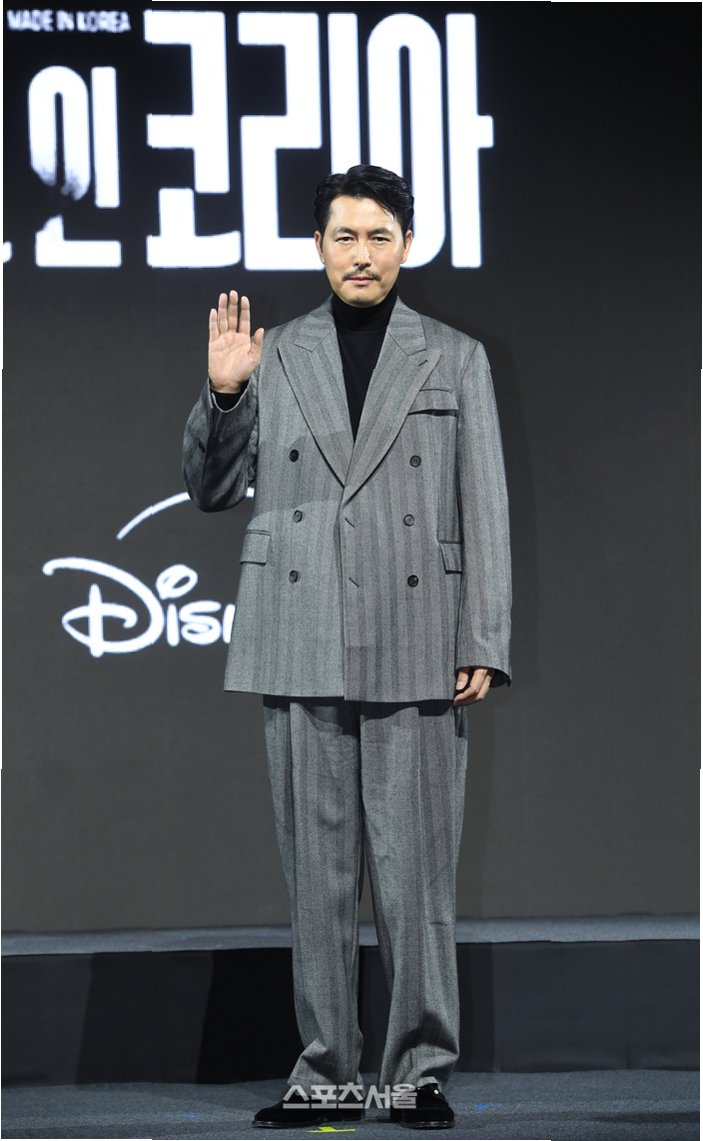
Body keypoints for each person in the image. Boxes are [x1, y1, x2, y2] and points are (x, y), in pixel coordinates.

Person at [183, 165, 512, 1130]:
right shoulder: (273, 353)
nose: (360, 254)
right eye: (343, 236)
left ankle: (416, 1072)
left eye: (377, 236)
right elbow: (211, 489)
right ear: (318, 246)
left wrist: (482, 634)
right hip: (303, 629)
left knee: (415, 876)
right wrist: (223, 394)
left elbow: (485, 505)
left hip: (417, 633)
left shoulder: (452, 356)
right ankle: (324, 1069)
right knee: (317, 878)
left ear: (405, 244)